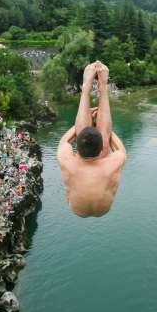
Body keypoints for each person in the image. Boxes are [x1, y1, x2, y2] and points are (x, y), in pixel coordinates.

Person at [57, 62, 127, 217]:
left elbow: (64, 141)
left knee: (86, 135)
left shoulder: (66, 161)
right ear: (103, 144)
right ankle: (102, 87)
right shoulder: (113, 163)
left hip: (76, 209)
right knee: (101, 154)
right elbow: (120, 149)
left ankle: (86, 90)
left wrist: (87, 114)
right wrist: (106, 134)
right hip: (104, 209)